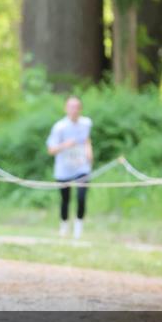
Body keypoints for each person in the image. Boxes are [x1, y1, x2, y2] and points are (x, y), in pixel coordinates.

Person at [46, 96, 93, 239]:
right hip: (64, 169)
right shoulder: (59, 127)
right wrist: (65, 145)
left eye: (77, 107)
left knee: (81, 197)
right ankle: (64, 227)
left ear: (80, 109)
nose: (74, 110)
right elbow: (51, 150)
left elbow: (86, 140)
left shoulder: (86, 123)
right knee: (65, 199)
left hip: (81, 167)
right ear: (66, 108)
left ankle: (78, 229)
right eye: (71, 107)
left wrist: (89, 151)